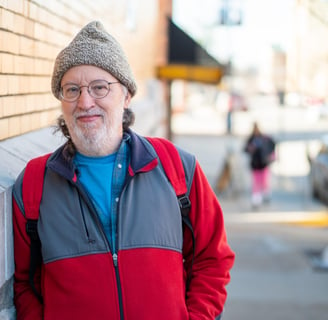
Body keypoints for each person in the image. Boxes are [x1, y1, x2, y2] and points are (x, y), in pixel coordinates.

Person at [12, 21, 235, 320]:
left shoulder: (176, 167)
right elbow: (24, 283)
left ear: (126, 95)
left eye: (99, 87)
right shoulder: (34, 183)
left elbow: (213, 259)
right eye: (72, 89)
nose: (85, 101)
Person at [244, 122, 276, 207]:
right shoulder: (251, 139)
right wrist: (250, 148)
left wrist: (272, 156)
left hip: (264, 163)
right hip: (255, 164)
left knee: (264, 181)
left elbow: (272, 145)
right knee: (256, 183)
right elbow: (245, 149)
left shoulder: (264, 138)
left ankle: (265, 195)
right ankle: (256, 199)